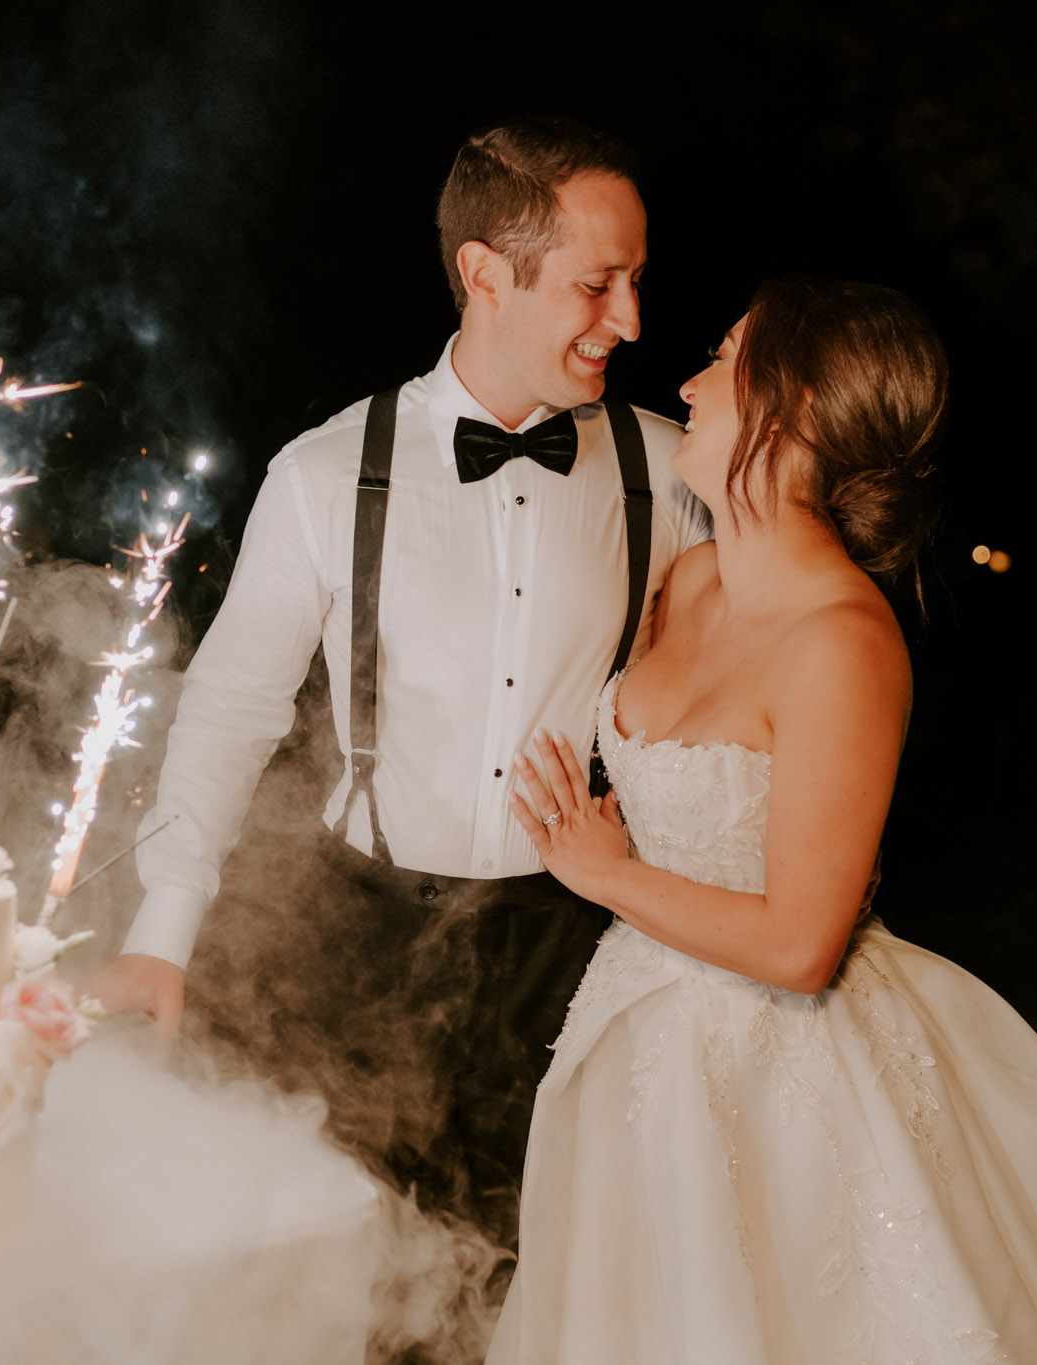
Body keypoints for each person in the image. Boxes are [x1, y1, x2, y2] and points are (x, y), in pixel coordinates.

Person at [487, 278, 1037, 1363]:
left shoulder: (843, 641)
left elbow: (800, 946)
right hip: (636, 1048)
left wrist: (603, 872)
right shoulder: (686, 582)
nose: (688, 381)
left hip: (779, 1081)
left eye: (720, 357)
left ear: (790, 405)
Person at [85, 118, 709, 1241]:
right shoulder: (326, 473)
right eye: (597, 283)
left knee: (559, 1282)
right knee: (375, 1287)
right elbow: (231, 707)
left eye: (633, 281)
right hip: (362, 942)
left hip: (576, 949)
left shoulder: (670, 471)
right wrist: (161, 931)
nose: (630, 319)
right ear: (483, 274)